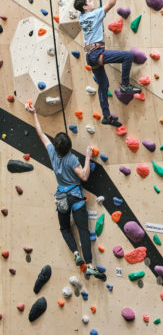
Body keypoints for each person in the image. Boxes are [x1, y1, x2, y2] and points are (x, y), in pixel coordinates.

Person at [25, 102, 105, 281]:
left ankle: (76, 253)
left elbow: (40, 133)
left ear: (56, 145)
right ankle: (90, 265)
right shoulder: (71, 159)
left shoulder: (52, 152)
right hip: (76, 197)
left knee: (64, 227)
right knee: (83, 231)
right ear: (68, 147)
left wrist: (34, 113)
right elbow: (84, 176)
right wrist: (87, 156)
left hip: (62, 198)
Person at [73, 0, 141, 127]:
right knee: (128, 56)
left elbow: (76, 3)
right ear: (85, 7)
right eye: (89, 1)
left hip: (91, 56)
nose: (92, 2)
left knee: (103, 85)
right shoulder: (94, 15)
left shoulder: (81, 16)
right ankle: (124, 85)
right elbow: (111, 3)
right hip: (97, 53)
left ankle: (106, 116)